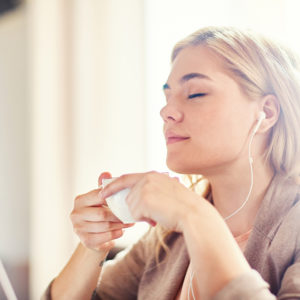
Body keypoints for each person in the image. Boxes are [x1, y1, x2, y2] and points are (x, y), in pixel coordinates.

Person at [42, 26, 300, 299]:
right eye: (168, 96)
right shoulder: (165, 239)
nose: (166, 111)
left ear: (267, 112)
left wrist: (196, 216)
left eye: (195, 94)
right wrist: (93, 246)